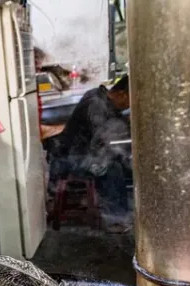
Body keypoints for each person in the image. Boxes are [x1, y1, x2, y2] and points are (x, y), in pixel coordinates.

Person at [47, 75, 132, 232]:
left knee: (116, 161)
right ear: (121, 94)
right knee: (111, 168)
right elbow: (104, 137)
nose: (128, 106)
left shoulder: (99, 96)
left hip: (78, 152)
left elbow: (110, 127)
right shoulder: (96, 105)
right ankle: (114, 220)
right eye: (128, 101)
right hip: (70, 159)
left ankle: (115, 211)